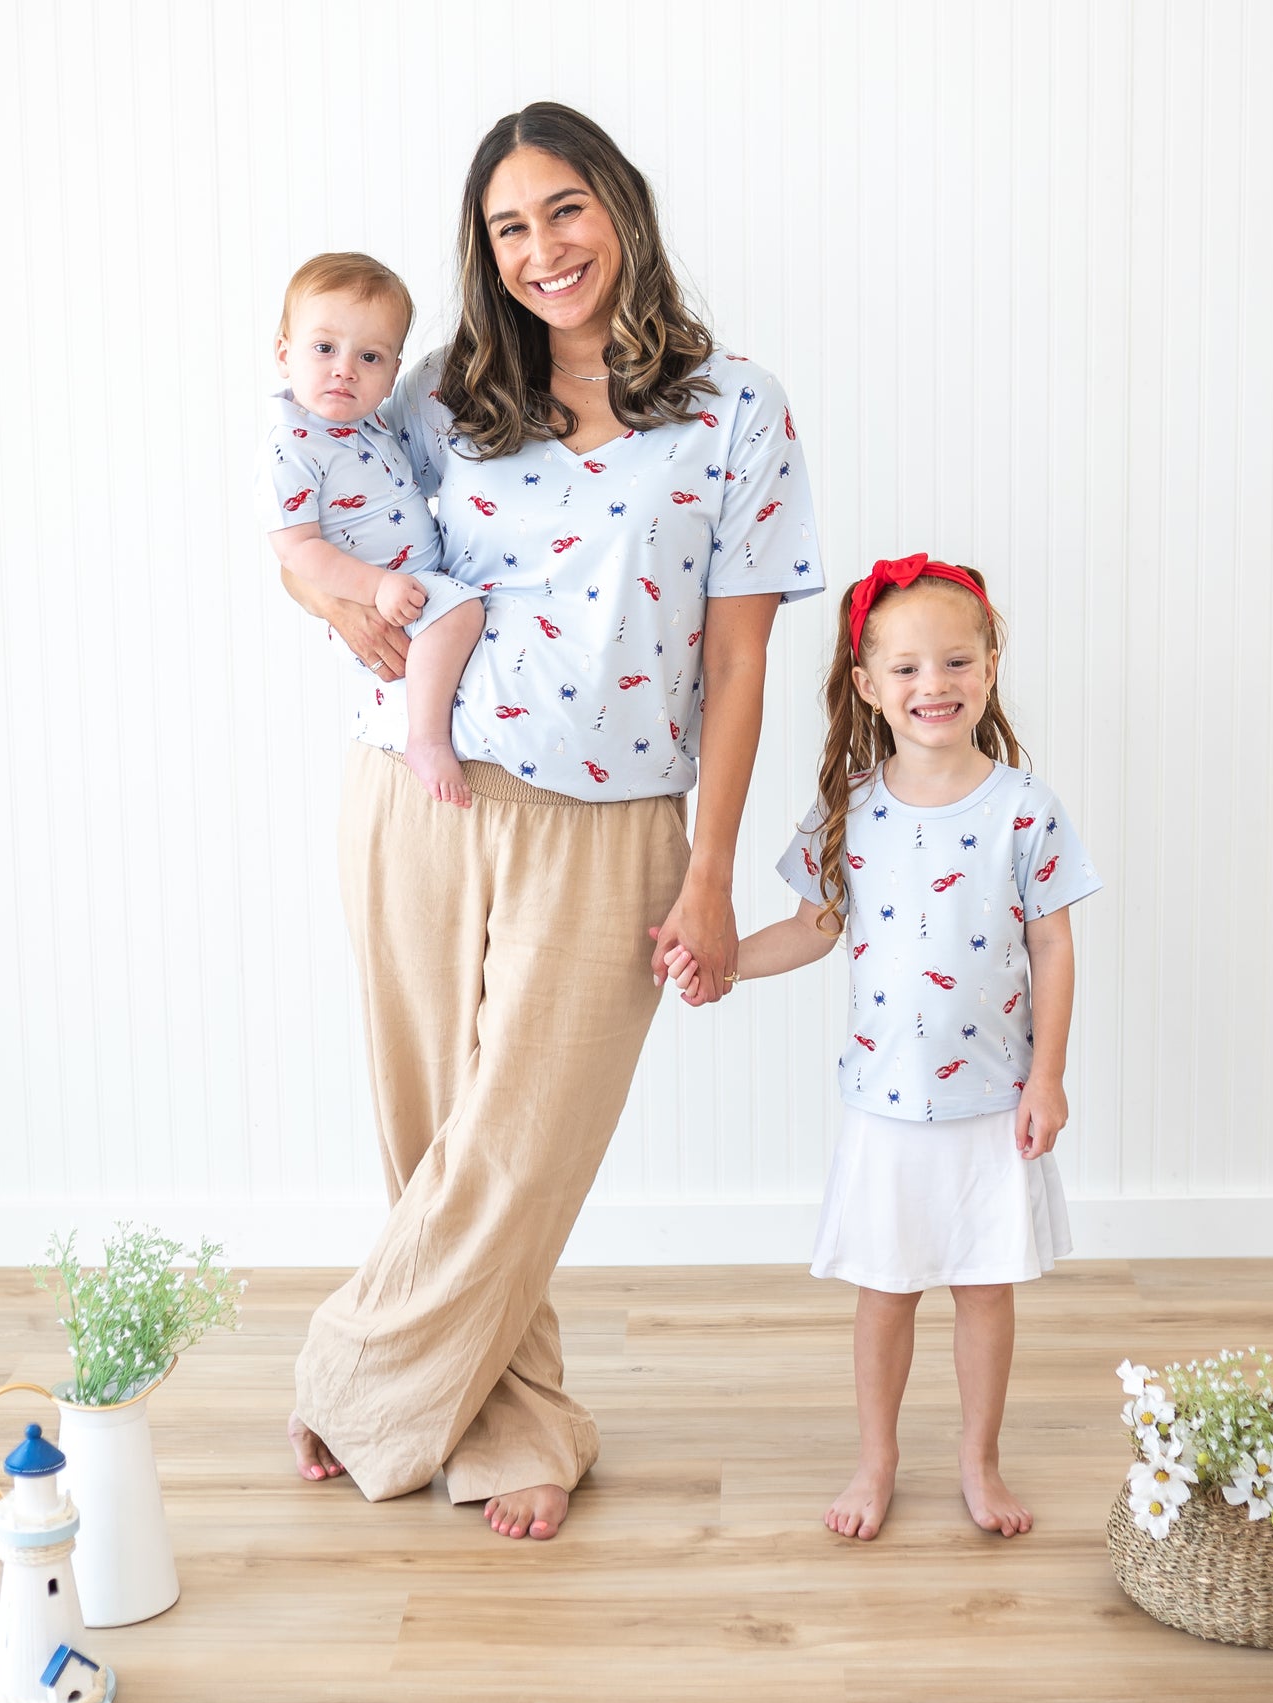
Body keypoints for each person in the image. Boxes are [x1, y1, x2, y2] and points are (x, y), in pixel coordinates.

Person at [279, 102, 823, 1540]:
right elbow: (314, 533)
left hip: (612, 815)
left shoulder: (737, 409)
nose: (542, 250)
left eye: (564, 210)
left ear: (622, 208)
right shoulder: (444, 386)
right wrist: (340, 611)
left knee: (522, 1139)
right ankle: (501, 1416)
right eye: (509, 227)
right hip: (413, 787)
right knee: (436, 1127)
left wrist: (711, 873)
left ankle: (350, 1372)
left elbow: (740, 657)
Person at [665, 555, 1100, 1541]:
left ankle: (978, 1462)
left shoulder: (1025, 810)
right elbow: (813, 927)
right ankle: (877, 1461)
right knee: (888, 1292)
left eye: (954, 661)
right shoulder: (848, 809)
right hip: (886, 1105)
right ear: (867, 686)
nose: (932, 685)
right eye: (905, 668)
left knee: (985, 1293)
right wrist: (726, 963)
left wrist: (1049, 1078)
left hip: (996, 1103)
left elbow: (1053, 943)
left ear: (990, 667)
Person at [258, 253, 486, 806]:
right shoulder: (292, 445)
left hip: (409, 585)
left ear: (392, 372)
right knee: (462, 611)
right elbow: (296, 549)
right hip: (380, 599)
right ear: (284, 354)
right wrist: (374, 588)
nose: (345, 369)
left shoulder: (373, 427)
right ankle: (426, 739)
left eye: (370, 356)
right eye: (324, 348)